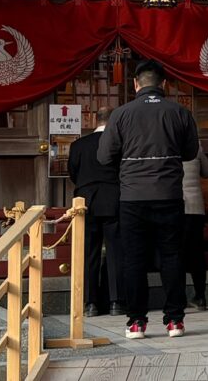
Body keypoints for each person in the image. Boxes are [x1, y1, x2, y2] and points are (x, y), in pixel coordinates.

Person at [97, 59, 199, 340]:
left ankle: (136, 322)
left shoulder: (121, 114)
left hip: (132, 197)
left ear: (135, 84)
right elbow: (190, 153)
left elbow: (104, 156)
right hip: (169, 195)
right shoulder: (180, 112)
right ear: (163, 84)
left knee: (134, 260)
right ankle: (175, 321)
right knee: (172, 256)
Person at [67, 107, 124, 317]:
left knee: (88, 253)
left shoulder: (78, 145)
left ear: (94, 120)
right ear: (114, 122)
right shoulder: (119, 145)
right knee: (115, 252)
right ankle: (116, 302)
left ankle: (90, 303)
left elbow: (73, 172)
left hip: (86, 202)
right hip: (114, 199)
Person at [181, 146, 208, 311]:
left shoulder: (167, 143)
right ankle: (200, 296)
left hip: (176, 206)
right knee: (196, 253)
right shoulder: (196, 148)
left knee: (176, 253)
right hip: (196, 207)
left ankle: (178, 297)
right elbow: (207, 172)